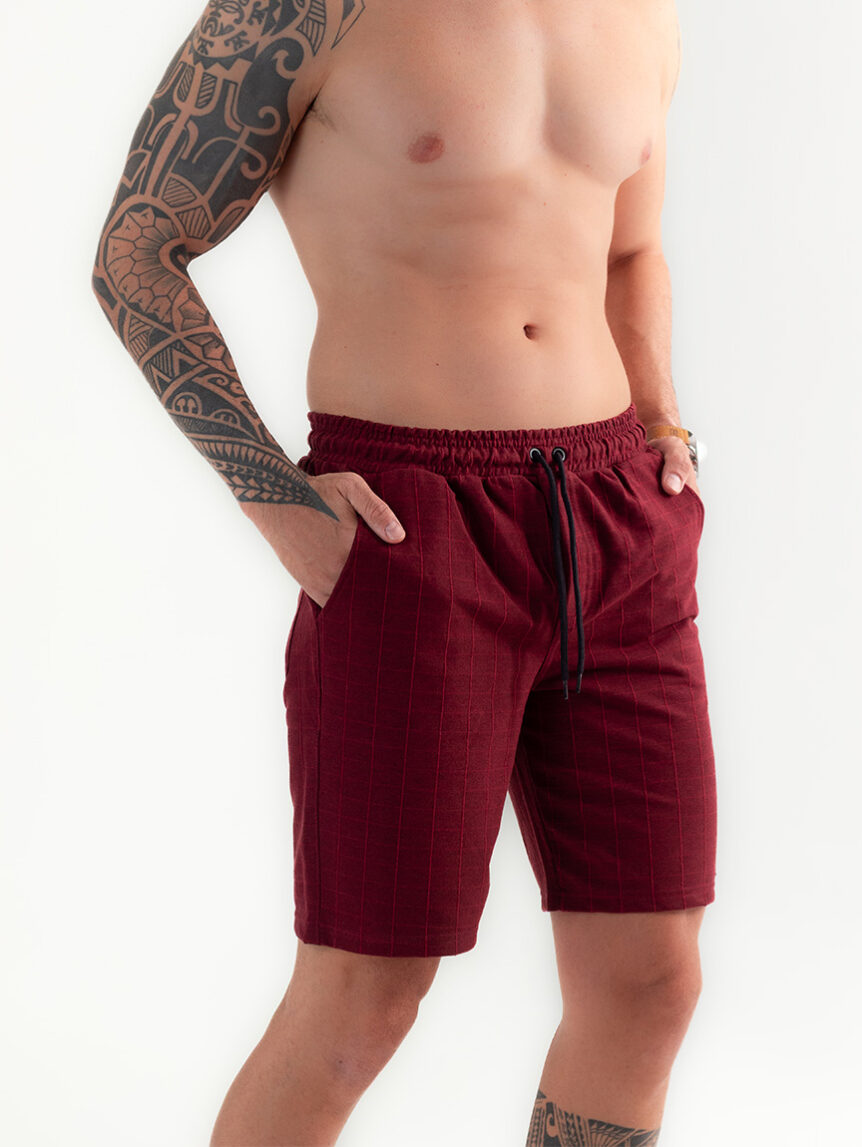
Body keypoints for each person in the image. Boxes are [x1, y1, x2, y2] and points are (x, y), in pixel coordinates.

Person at [91, 0, 717, 1143]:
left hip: (620, 523)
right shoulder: (303, 11)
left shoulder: (639, 13)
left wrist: (664, 426)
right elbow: (136, 254)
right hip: (410, 530)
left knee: (651, 982)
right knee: (363, 1002)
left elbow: (630, 250)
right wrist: (283, 506)